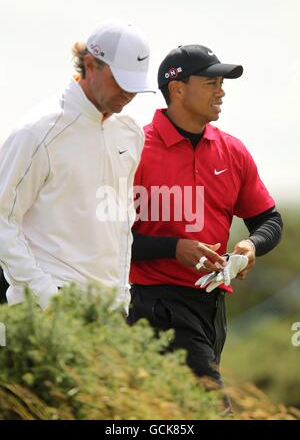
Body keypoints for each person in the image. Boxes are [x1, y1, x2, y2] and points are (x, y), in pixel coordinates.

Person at [128, 44, 283, 403]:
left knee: (167, 410)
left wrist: (250, 246)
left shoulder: (233, 150)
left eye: (222, 83)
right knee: (211, 407)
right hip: (155, 303)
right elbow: (106, 237)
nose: (222, 91)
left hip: (212, 307)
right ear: (178, 89)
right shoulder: (133, 148)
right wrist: (172, 248)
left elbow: (268, 220)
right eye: (212, 82)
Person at [0, 20, 154, 308]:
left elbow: (121, 224)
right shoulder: (38, 131)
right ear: (90, 65)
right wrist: (45, 293)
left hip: (109, 309)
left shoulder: (131, 133)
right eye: (121, 81)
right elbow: (3, 220)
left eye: (135, 85)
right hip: (47, 307)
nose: (129, 94)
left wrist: (121, 297)